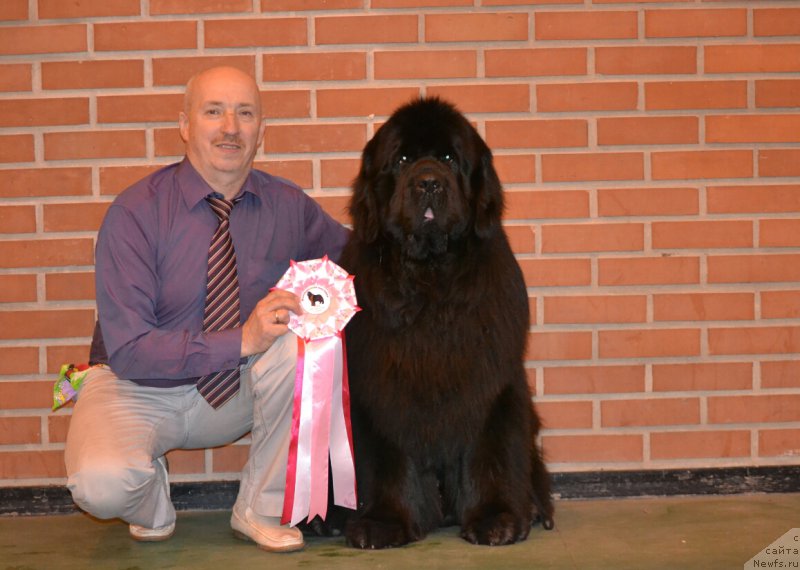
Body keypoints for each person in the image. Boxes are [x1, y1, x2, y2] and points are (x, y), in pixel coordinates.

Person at [64, 66, 349, 553]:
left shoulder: (289, 206)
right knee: (101, 485)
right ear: (185, 125)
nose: (230, 128)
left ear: (261, 129)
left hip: (236, 389)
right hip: (136, 388)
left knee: (307, 342)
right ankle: (151, 498)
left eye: (244, 113)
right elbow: (130, 350)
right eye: (213, 111)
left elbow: (360, 261)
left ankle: (258, 508)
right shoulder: (134, 213)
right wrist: (242, 339)